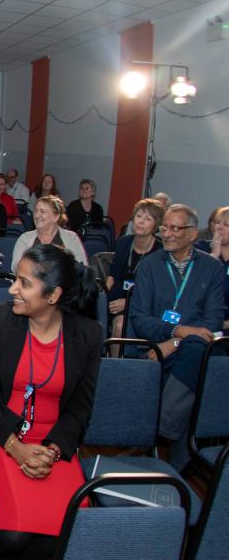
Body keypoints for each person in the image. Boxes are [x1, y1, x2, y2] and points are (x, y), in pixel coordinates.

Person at [0, 244, 102, 560]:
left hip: (50, 443)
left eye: (23, 283)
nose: (12, 289)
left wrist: (52, 451)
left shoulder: (86, 336)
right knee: (11, 534)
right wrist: (15, 445)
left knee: (73, 531)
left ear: (53, 295)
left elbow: (80, 408)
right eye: (15, 280)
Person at [128, 205, 226, 468]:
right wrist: (178, 332)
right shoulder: (150, 265)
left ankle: (159, 428)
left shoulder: (212, 268)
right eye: (164, 228)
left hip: (191, 350)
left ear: (192, 233)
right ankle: (179, 465)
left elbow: (213, 321)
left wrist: (176, 341)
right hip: (154, 347)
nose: (167, 234)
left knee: (196, 351)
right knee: (197, 373)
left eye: (174, 228)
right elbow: (140, 319)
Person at [107, 198, 164, 339]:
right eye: (138, 216)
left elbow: (157, 291)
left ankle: (117, 362)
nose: (141, 222)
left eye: (148, 219)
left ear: (156, 225)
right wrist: (101, 298)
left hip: (144, 305)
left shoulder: (160, 252)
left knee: (120, 325)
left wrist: (128, 303)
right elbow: (111, 278)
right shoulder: (123, 243)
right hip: (116, 300)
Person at [11, 196, 87, 270]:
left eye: (42, 211)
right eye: (36, 211)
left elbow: (81, 267)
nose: (37, 215)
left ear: (56, 217)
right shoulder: (25, 238)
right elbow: (16, 267)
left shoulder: (71, 237)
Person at [195, 205, 229, 329]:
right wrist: (213, 256)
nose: (219, 227)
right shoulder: (200, 249)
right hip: (200, 320)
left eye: (226, 224)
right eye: (217, 222)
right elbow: (195, 286)